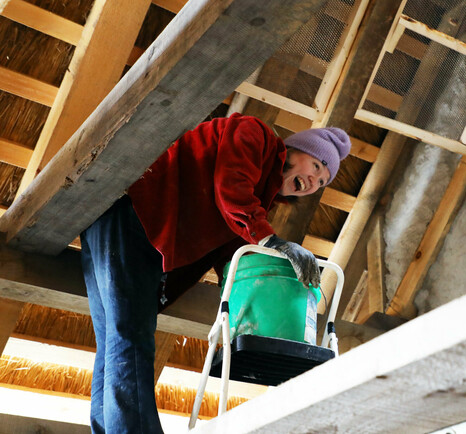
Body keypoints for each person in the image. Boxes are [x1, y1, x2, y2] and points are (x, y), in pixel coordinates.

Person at [80, 112, 351, 433]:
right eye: (317, 167)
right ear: (295, 150)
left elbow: (231, 260)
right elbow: (229, 187)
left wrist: (245, 315)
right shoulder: (254, 135)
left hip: (128, 233)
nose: (313, 183)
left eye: (321, 183)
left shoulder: (258, 204)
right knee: (129, 338)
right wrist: (273, 242)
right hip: (135, 217)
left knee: (114, 343)